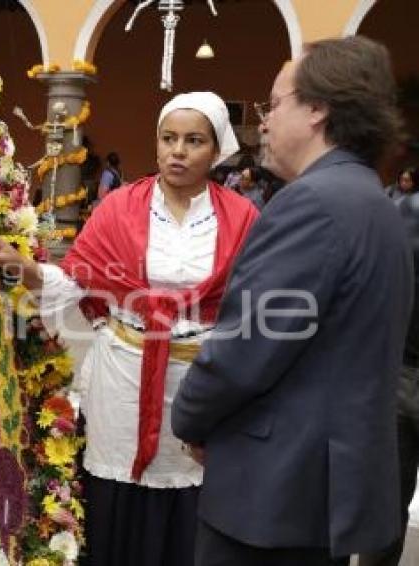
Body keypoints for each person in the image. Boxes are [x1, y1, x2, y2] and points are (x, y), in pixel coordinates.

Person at [0, 92, 259, 566]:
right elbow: (76, 283)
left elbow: (250, 306)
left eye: (193, 141)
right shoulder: (119, 208)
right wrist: (25, 268)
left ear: (217, 150)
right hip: (123, 375)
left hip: (201, 381)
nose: (178, 151)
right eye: (168, 138)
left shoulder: (243, 217)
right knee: (116, 491)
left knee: (190, 486)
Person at [171, 36, 412, 566]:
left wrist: (188, 417)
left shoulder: (312, 205)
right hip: (318, 490)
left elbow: (246, 351)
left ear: (318, 109)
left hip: (270, 493)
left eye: (274, 104)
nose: (263, 120)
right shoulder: (374, 201)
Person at [359, 187, 419, 566]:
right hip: (398, 372)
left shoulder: (397, 213)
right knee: (385, 510)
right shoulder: (399, 213)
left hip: (396, 371)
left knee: (386, 508)